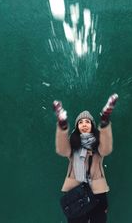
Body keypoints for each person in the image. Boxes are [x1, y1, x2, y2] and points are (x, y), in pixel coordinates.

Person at [53, 94, 118, 223]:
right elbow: (62, 149)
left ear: (92, 125)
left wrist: (104, 122)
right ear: (77, 127)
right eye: (80, 122)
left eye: (87, 122)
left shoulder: (98, 145)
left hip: (98, 193)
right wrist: (62, 126)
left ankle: (105, 117)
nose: (84, 124)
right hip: (75, 194)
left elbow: (106, 148)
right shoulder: (72, 146)